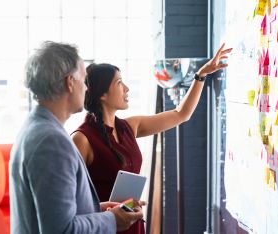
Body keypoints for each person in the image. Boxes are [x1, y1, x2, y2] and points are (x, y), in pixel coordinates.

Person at [71, 43, 232, 234]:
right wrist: (105, 210)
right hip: (105, 227)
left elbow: (181, 114)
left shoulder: (129, 127)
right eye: (119, 83)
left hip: (133, 223)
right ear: (102, 95)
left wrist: (201, 75)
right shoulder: (81, 139)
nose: (127, 88)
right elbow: (69, 203)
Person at [9, 41, 143, 234]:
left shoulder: (37, 128)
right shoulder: (51, 142)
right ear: (70, 82)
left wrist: (98, 210)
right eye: (84, 79)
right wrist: (112, 220)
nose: (87, 88)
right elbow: (61, 230)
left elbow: (52, 214)